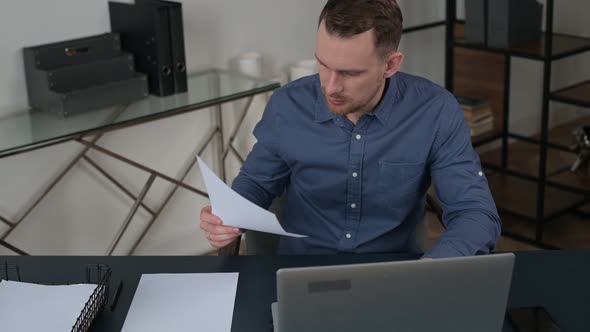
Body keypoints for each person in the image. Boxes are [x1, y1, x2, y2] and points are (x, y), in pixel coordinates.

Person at [200, 0, 500, 258]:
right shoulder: (287, 105)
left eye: (350, 73)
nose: (330, 86)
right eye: (324, 65)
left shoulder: (436, 112)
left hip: (393, 276)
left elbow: (475, 214)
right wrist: (226, 217)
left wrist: (435, 268)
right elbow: (256, 183)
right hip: (299, 273)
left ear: (391, 64)